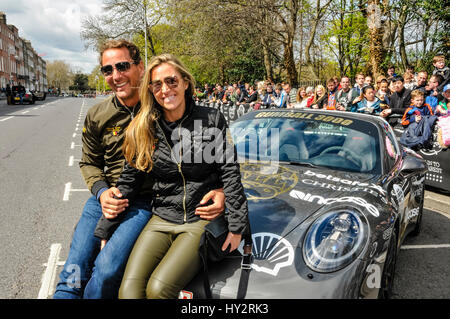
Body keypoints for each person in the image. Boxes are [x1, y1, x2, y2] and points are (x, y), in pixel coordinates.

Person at [53, 40, 224, 299]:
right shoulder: (98, 114)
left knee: (107, 269)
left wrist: (220, 188)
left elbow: (204, 157)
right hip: (104, 199)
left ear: (140, 68)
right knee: (74, 269)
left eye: (122, 66)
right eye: (107, 70)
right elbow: (89, 162)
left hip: (144, 201)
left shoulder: (162, 107)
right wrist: (101, 193)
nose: (115, 76)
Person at [94, 53, 249, 299]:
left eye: (172, 81)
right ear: (151, 90)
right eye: (157, 84)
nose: (165, 89)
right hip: (162, 217)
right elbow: (128, 182)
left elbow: (230, 173)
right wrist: (105, 228)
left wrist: (237, 227)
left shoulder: (211, 120)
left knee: (159, 290)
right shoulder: (144, 128)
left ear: (185, 82)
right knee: (128, 292)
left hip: (199, 219)